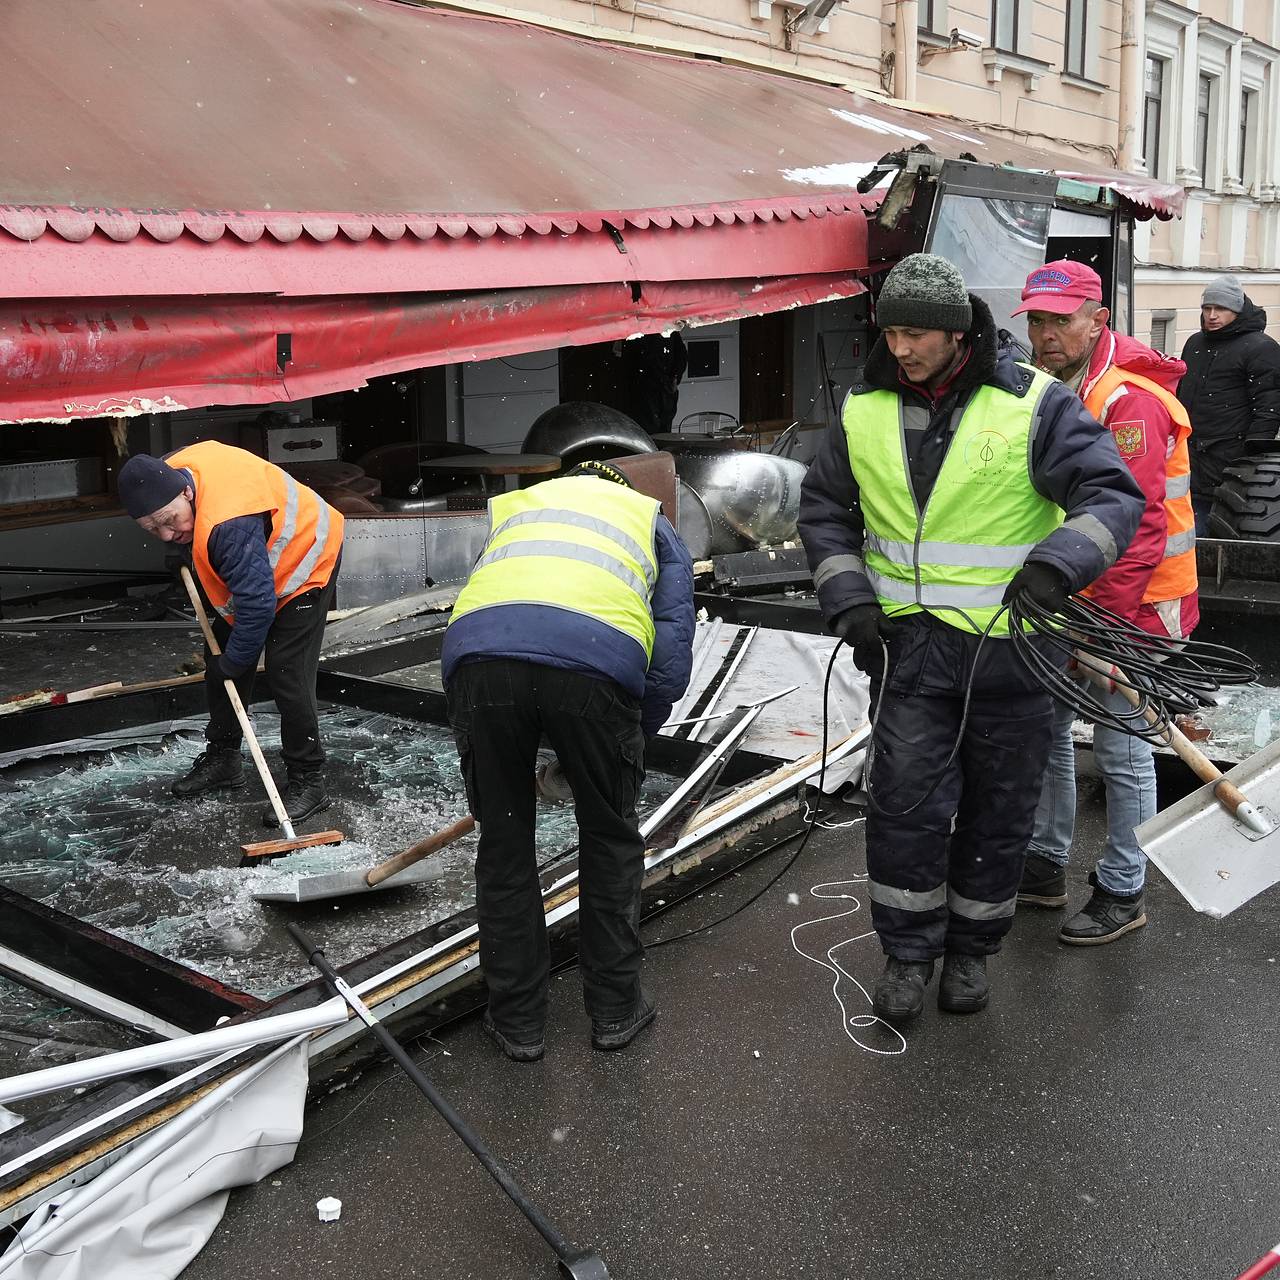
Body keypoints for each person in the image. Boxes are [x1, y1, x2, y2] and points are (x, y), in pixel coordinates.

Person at [797, 253, 1143, 1023]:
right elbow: (824, 512)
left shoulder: (1035, 405)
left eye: (915, 334)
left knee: (1000, 809)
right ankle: (908, 956)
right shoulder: (863, 408)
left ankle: (972, 955)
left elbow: (1113, 495)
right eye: (890, 333)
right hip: (909, 650)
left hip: (1013, 651)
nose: (900, 350)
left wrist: (1059, 565)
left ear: (956, 335)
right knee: (905, 807)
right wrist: (849, 599)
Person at [442, 459, 694, 1061]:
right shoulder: (646, 519)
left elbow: (509, 614)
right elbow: (669, 662)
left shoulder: (517, 510)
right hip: (595, 661)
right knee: (609, 841)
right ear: (618, 487)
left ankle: (517, 1022)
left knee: (503, 845)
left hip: (478, 662)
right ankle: (614, 1011)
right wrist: (621, 747)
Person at [1015, 260, 1199, 944]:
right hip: (1075, 596)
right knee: (1052, 731)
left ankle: (1124, 885)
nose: (1046, 334)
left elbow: (1142, 523)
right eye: (1036, 320)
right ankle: (1045, 863)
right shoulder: (1056, 386)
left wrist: (1110, 627)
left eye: (1060, 321)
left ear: (1098, 320)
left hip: (1140, 602)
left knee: (1123, 749)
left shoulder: (1131, 402)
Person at [117, 443, 344, 825]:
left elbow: (256, 609)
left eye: (170, 521)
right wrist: (224, 662)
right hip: (253, 564)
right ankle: (224, 758)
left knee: (286, 670)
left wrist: (235, 662)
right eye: (153, 528)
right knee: (218, 654)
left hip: (304, 559)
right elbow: (241, 590)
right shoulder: (165, 475)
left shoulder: (228, 524)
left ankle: (309, 780)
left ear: (187, 493)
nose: (167, 533)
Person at [1177, 274, 1280, 533]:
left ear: (1237, 310)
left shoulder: (1261, 348)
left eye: (1221, 308)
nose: (1212, 315)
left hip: (1233, 464)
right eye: (1207, 308)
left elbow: (1269, 407)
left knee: (1218, 535)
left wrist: (1251, 463)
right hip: (1188, 457)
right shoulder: (1195, 343)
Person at [621, 331, 688, 434]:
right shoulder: (640, 334)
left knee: (662, 428)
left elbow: (681, 355)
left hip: (663, 387)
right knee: (649, 428)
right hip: (647, 388)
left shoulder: (669, 332)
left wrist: (675, 377)